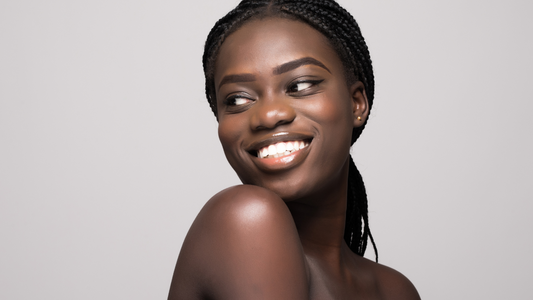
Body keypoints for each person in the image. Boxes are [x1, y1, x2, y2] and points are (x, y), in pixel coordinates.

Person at [168, 0, 420, 299]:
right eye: (237, 99)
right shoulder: (248, 219)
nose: (268, 115)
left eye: (300, 85)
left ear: (356, 103)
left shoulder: (395, 290)